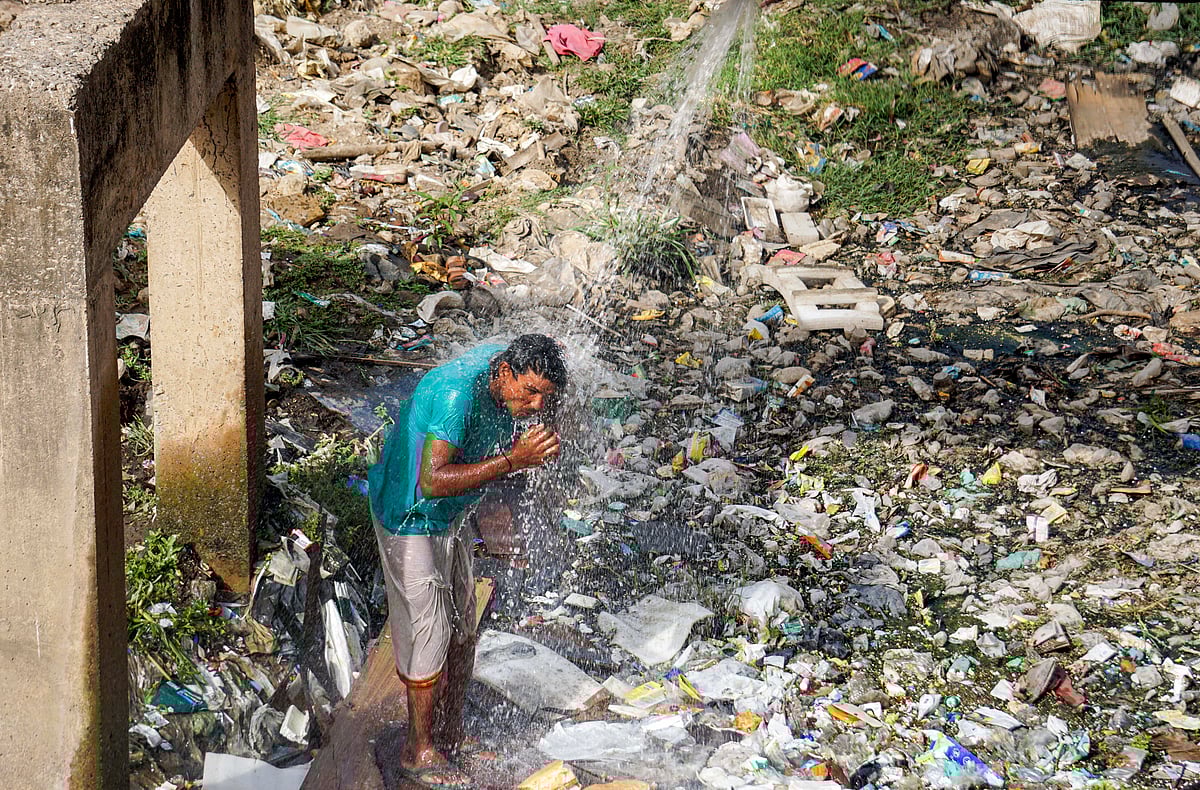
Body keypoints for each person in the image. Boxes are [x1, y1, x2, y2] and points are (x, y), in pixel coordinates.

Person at [367, 334, 568, 789]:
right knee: (429, 630)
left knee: (462, 628)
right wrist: (513, 461)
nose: (536, 405)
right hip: (411, 516)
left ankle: (451, 734)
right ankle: (416, 751)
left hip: (452, 516)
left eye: (545, 397)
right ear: (503, 373)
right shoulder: (457, 395)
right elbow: (433, 481)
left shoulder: (509, 379)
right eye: (529, 392)